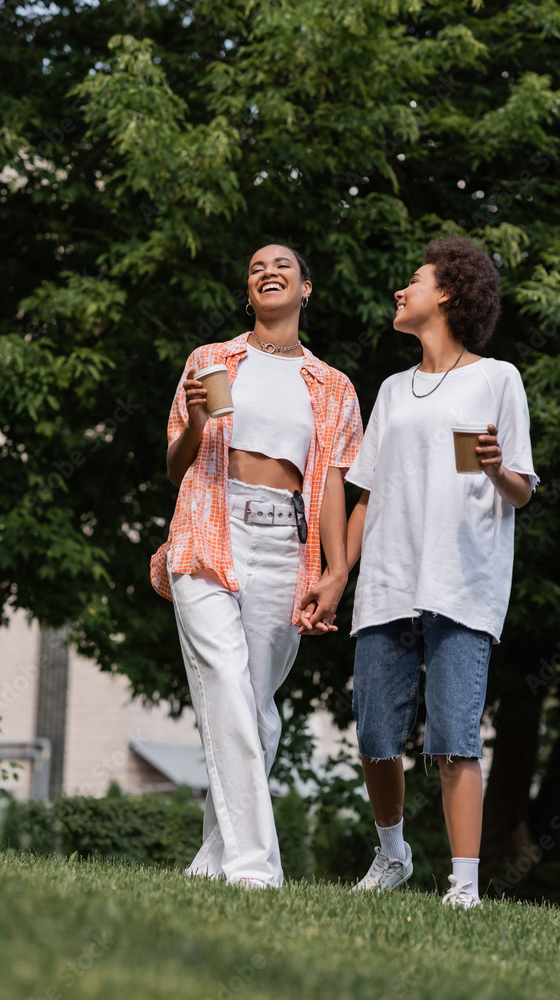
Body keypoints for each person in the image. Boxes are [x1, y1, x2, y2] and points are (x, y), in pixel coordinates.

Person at [150, 244, 362, 889]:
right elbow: (176, 463)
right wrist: (190, 422)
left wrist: (336, 570)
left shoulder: (331, 385)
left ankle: (213, 860)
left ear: (306, 289)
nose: (268, 273)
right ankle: (253, 866)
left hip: (283, 542)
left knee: (256, 706)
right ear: (248, 293)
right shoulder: (212, 362)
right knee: (223, 680)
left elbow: (331, 485)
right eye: (255, 268)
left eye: (283, 268)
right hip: (210, 526)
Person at [343, 235, 538, 908]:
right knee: (373, 732)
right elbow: (365, 494)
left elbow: (520, 491)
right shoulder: (392, 390)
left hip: (461, 581)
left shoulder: (497, 378)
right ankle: (392, 855)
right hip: (387, 581)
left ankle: (463, 887)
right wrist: (337, 575)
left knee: (454, 738)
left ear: (447, 293)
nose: (400, 290)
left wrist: (494, 468)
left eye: (413, 281)